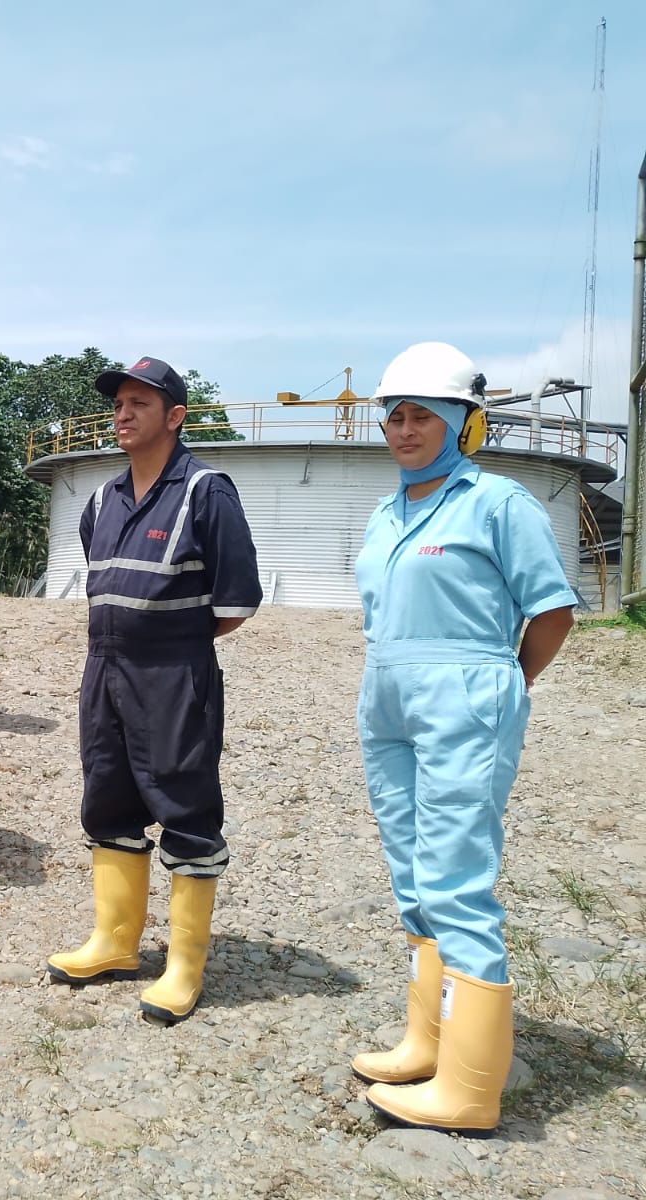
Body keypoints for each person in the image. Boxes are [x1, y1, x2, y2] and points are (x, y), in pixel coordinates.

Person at [352, 342, 576, 1134]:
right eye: (395, 416)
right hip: (387, 696)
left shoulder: (498, 504)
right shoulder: (388, 511)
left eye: (423, 416)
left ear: (463, 424)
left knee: (455, 876)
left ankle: (472, 1089)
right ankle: (428, 1041)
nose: (405, 429)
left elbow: (552, 613)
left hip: (465, 694)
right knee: (413, 874)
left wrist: (503, 685)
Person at [45, 355, 262, 1025]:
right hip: (103, 669)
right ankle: (114, 942)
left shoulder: (206, 492)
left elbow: (235, 602)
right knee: (107, 797)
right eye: (118, 403)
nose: (123, 413)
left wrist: (171, 641)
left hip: (173, 671)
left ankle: (184, 967)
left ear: (175, 417)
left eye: (140, 403)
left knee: (184, 804)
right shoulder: (102, 501)